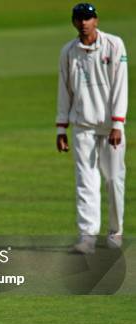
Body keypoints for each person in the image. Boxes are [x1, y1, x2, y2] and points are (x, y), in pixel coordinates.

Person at [56, 3, 128, 254]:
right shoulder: (68, 51)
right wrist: (61, 128)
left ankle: (115, 232)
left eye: (88, 18)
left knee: (113, 179)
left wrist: (118, 123)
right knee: (85, 181)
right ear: (74, 22)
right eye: (79, 18)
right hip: (82, 126)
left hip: (110, 127)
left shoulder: (114, 45)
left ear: (96, 20)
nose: (84, 22)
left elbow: (121, 84)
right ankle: (87, 238)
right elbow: (64, 91)